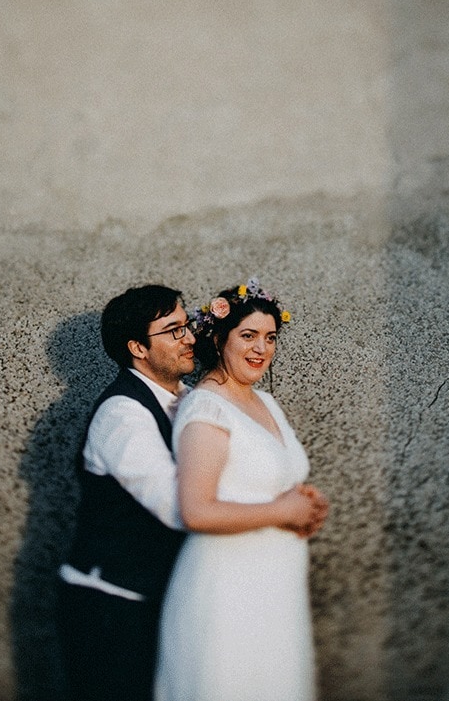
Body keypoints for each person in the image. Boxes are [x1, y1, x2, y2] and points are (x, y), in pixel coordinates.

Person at [56, 285, 312, 701]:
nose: (190, 337)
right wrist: (282, 511)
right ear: (138, 348)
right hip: (113, 603)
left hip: (165, 592)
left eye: (187, 325)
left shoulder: (194, 399)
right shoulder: (122, 414)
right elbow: (179, 508)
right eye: (173, 330)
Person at [155, 279, 328, 701]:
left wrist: (307, 504)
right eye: (248, 336)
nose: (261, 349)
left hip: (276, 588)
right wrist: (283, 512)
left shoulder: (267, 403)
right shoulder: (207, 407)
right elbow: (196, 510)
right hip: (228, 592)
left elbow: (272, 483)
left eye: (270, 338)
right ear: (218, 340)